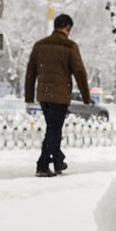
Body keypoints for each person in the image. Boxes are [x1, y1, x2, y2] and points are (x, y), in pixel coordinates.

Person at [24, 13, 90, 177]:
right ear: (67, 27)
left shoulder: (39, 45)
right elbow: (79, 72)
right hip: (60, 96)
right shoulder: (69, 46)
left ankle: (58, 161)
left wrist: (29, 95)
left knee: (53, 128)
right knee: (53, 130)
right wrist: (86, 96)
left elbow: (30, 71)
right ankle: (42, 165)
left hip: (43, 95)